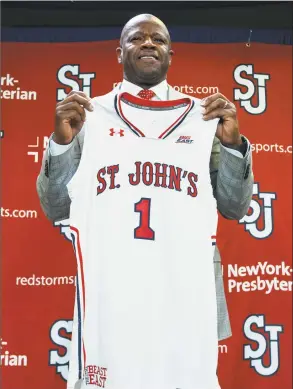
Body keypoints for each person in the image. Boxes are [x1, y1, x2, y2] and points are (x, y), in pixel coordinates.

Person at [37, 13, 253, 388]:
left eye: (158, 39)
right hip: (113, 300)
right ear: (119, 52)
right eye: (137, 39)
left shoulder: (203, 120)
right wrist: (62, 144)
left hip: (183, 300)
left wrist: (233, 145)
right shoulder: (88, 118)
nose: (149, 44)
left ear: (171, 54)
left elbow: (234, 207)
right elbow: (57, 206)